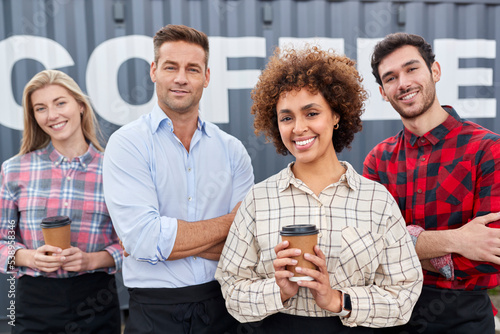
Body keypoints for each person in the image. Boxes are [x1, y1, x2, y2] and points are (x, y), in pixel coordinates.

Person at [215, 46, 423, 333]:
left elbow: (404, 296)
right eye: (286, 118)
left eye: (311, 113)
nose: (299, 128)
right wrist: (279, 291)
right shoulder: (258, 200)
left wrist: (338, 299)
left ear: (336, 115)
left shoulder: (376, 201)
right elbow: (231, 291)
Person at [102, 24, 254, 334]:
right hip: (153, 312)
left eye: (192, 69)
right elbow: (144, 239)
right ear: (154, 71)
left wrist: (160, 241)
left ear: (207, 77)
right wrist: (230, 223)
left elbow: (248, 245)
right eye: (171, 67)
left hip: (224, 308)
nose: (181, 78)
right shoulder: (127, 144)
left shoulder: (233, 151)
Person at [363, 32, 500, 333]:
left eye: (412, 69)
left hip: (465, 317)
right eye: (391, 77)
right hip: (391, 315)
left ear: (434, 71)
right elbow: (367, 251)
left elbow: (492, 255)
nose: (403, 83)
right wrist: (458, 240)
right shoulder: (378, 160)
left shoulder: (488, 150)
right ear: (383, 92)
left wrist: (402, 247)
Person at [0, 69, 122, 333]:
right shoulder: (14, 170)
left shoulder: (114, 170)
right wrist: (30, 257)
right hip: (34, 304)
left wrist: (92, 261)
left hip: (96, 301)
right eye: (41, 108)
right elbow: (3, 242)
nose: (52, 115)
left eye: (60, 103)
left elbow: (133, 245)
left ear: (80, 105)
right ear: (33, 117)